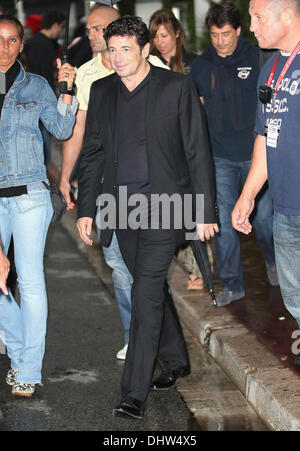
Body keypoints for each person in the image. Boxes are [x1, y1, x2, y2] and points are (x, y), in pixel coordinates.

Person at [77, 15, 218, 420]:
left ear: (145, 50)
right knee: (148, 287)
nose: (118, 58)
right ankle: (175, 360)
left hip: (166, 209)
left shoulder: (176, 88)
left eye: (126, 50)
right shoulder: (102, 91)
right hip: (121, 210)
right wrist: (88, 208)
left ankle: (133, 391)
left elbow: (197, 151)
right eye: (112, 49)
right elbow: (94, 155)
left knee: (143, 295)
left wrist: (204, 211)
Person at [60, 3, 169, 362]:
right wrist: (68, 179)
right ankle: (134, 335)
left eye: (97, 29)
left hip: (153, 196)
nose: (92, 36)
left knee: (148, 274)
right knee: (120, 268)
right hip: (111, 194)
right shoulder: (89, 76)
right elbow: (84, 138)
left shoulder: (160, 73)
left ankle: (158, 341)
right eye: (90, 31)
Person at [0, 14, 77, 397]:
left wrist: (66, 91)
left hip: (30, 196)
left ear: (21, 46)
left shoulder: (37, 86)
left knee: (29, 283)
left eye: (12, 40)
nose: (4, 48)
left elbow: (62, 130)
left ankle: (28, 369)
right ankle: (18, 351)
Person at [191, 1, 277, 307]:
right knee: (225, 222)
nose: (220, 41)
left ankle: (274, 260)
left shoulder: (259, 58)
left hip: (258, 156)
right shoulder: (202, 66)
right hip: (220, 157)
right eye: (214, 35)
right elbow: (196, 111)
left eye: (226, 34)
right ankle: (232, 284)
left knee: (265, 220)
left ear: (239, 31)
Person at [232, 0, 300, 364]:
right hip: (285, 205)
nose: (253, 26)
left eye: (259, 17)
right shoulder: (270, 70)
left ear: (287, 16)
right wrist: (248, 195)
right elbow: (264, 135)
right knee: (293, 292)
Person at [26, 10, 66, 166]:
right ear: (55, 25)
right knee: (44, 142)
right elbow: (44, 75)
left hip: (32, 97)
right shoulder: (44, 45)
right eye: (61, 27)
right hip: (41, 98)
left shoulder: (34, 41)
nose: (61, 31)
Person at [149, 8, 197, 74]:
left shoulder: (194, 63)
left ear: (177, 33)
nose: (159, 42)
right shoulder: (148, 63)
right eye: (155, 37)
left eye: (164, 36)